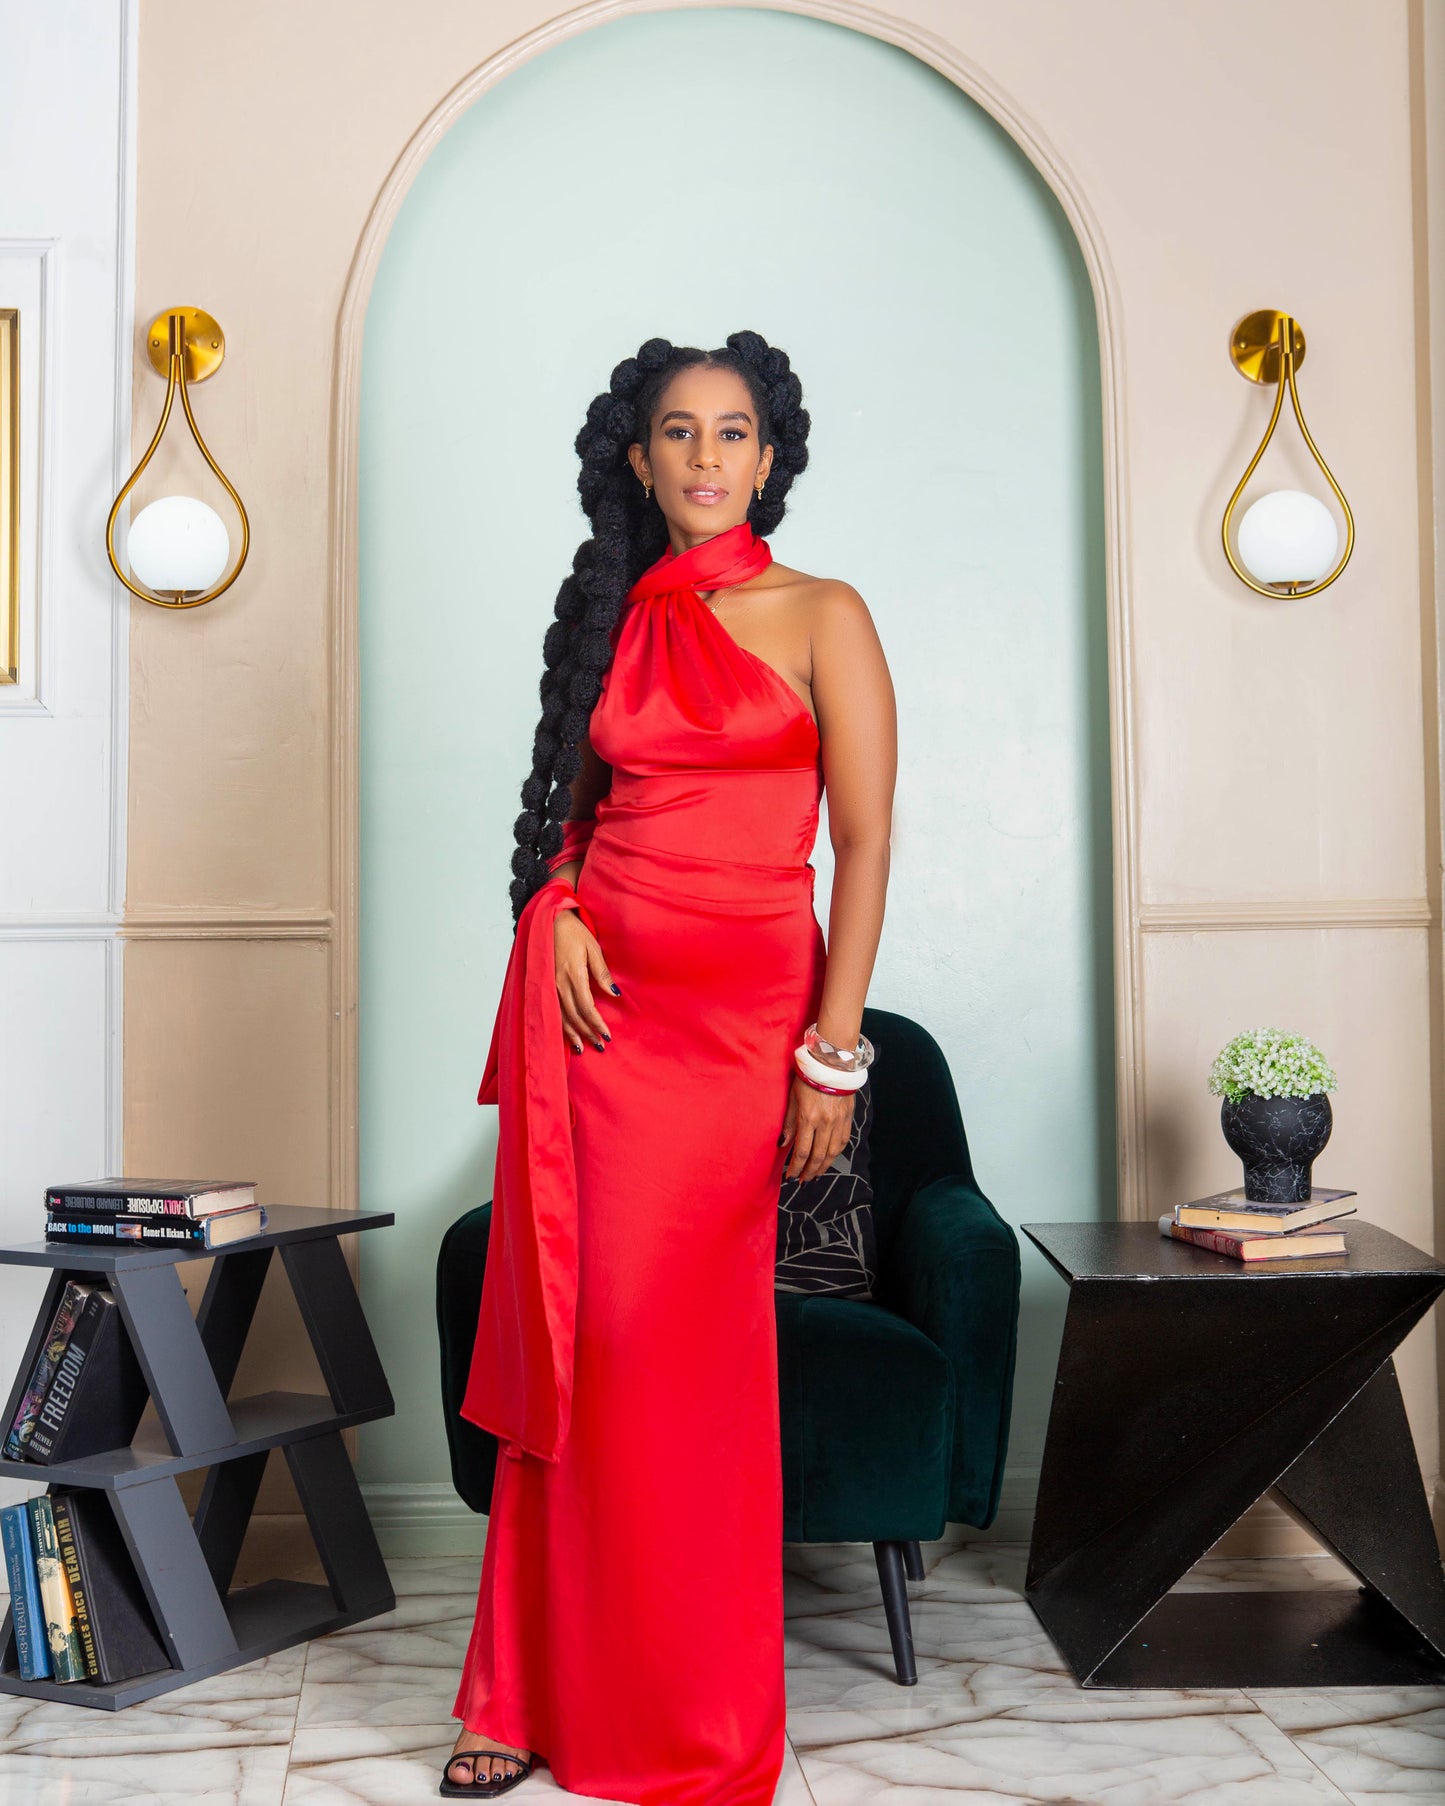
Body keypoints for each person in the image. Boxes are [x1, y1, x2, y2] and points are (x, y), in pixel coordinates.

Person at [443, 330, 897, 1802]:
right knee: (579, 1337)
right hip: (603, 1025)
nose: (707, 456)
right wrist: (556, 905)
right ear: (638, 458)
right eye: (679, 433)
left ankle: (683, 1713)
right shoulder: (609, 618)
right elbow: (564, 819)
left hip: (746, 1030)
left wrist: (832, 1056)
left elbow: (869, 844)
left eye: (734, 431)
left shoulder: (823, 612)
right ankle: (514, 1694)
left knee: (685, 1369)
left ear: (772, 455)